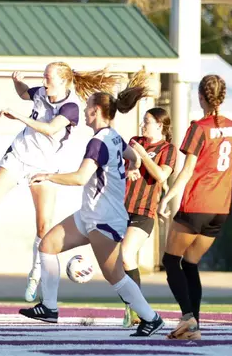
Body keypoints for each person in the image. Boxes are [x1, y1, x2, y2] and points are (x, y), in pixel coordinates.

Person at [0, 62, 120, 303]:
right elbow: (24, 93)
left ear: (63, 82)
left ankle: (35, 274)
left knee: (44, 227)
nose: (44, 83)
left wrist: (18, 116)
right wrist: (17, 82)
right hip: (19, 156)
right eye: (43, 77)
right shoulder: (42, 92)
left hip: (44, 167)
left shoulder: (71, 106)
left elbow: (50, 129)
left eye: (49, 79)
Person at [21, 71, 165, 337]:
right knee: (48, 245)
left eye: (87, 108)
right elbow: (132, 154)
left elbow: (80, 178)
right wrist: (131, 164)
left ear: (96, 111)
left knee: (115, 276)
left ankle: (151, 318)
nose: (84, 112)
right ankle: (50, 308)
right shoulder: (113, 135)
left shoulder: (98, 142)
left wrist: (48, 175)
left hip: (104, 218)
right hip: (90, 213)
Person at [158, 74, 232, 340]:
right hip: (220, 210)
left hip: (197, 204)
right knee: (190, 264)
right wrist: (221, 170)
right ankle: (195, 327)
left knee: (170, 260)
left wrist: (167, 198)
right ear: (222, 98)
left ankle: (188, 319)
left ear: (201, 97)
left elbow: (188, 170)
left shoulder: (198, 128)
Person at [120, 107, 177, 328]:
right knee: (116, 263)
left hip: (143, 211)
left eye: (147, 121)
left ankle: (136, 309)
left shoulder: (168, 149)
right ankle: (131, 307)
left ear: (159, 126)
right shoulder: (134, 140)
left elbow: (161, 175)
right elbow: (116, 165)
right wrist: (127, 171)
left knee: (126, 253)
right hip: (119, 209)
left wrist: (143, 156)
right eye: (143, 121)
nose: (142, 126)